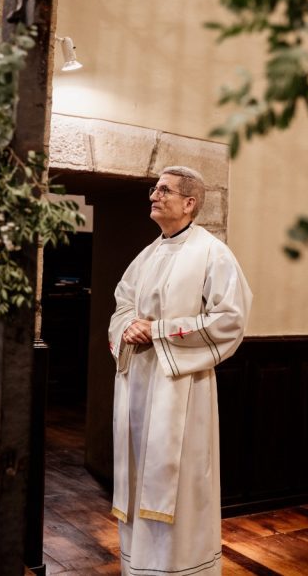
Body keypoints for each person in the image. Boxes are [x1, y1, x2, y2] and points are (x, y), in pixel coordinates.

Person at [108, 166, 253, 576]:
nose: (154, 195)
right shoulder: (147, 255)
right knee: (140, 473)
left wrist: (157, 331)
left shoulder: (213, 253)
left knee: (182, 481)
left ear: (189, 203)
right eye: (154, 189)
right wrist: (128, 326)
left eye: (164, 190)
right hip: (138, 384)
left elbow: (231, 318)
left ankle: (184, 568)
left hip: (182, 387)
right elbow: (121, 306)